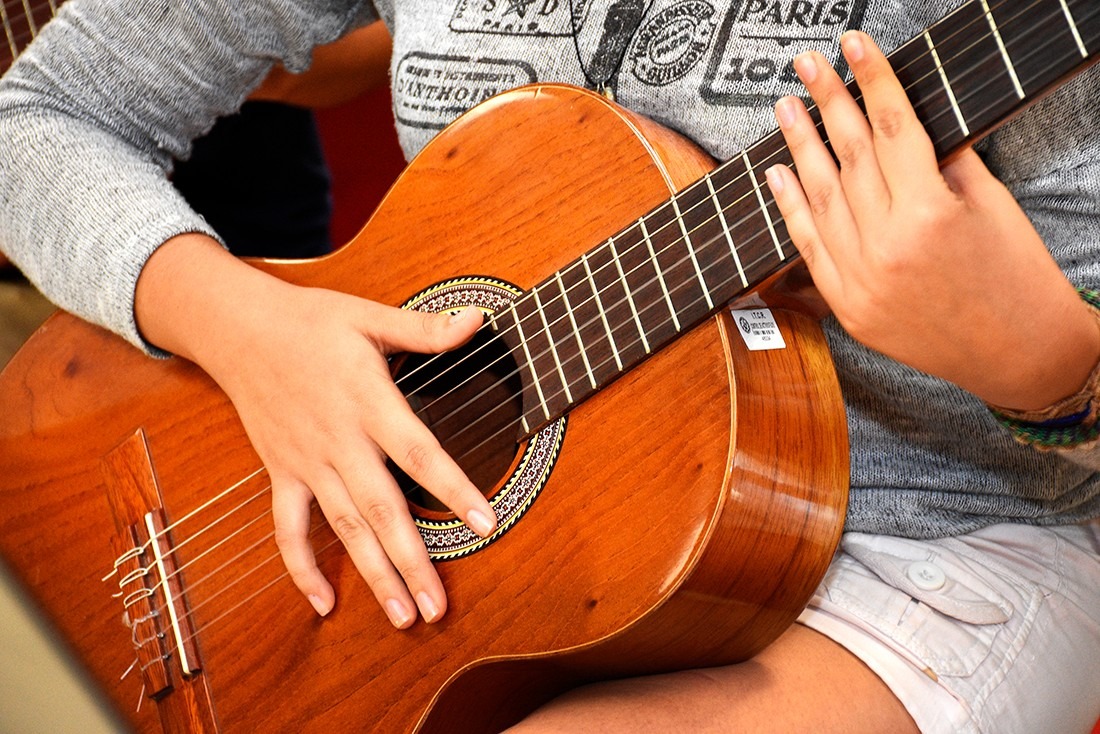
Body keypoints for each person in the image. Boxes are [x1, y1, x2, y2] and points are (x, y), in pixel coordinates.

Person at [0, 1, 1097, 732]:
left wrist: (1045, 367)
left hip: (924, 546)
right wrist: (246, 329)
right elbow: (33, 121)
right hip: (499, 572)